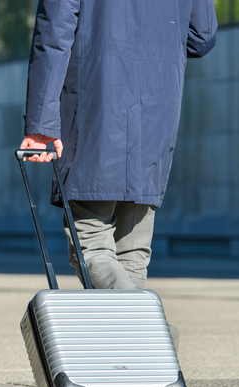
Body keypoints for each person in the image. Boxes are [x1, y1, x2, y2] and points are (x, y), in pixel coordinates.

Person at [20, 0, 218, 290]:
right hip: (157, 109)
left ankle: (149, 332)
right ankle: (144, 331)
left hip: (96, 103)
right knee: (133, 253)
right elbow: (203, 36)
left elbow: (54, 30)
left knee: (90, 242)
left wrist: (41, 125)